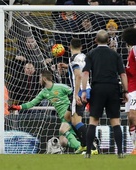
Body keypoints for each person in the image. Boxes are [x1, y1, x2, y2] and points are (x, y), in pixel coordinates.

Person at [81, 29, 128, 158]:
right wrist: (125, 91)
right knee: (115, 121)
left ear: (95, 40)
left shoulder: (91, 53)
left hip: (98, 88)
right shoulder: (115, 55)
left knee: (93, 121)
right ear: (108, 40)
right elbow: (123, 74)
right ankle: (120, 152)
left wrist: (84, 90)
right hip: (113, 89)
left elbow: (85, 73)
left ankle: (89, 152)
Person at [9, 69, 81, 151]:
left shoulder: (60, 87)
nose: (39, 80)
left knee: (62, 129)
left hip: (69, 113)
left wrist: (74, 105)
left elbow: (74, 92)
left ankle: (81, 147)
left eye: (40, 78)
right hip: (62, 117)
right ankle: (83, 145)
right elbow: (32, 103)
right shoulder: (43, 92)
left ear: (44, 79)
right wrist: (18, 107)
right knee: (63, 141)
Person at [58, 38, 98, 154]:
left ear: (69, 47)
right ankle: (84, 144)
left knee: (76, 121)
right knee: (67, 118)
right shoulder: (84, 57)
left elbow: (78, 75)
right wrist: (67, 66)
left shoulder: (73, 59)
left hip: (79, 91)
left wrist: (76, 95)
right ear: (81, 47)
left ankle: (92, 147)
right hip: (87, 89)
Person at [122, 27, 136, 155]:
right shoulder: (132, 49)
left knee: (133, 116)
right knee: (130, 119)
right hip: (130, 89)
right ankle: (134, 147)